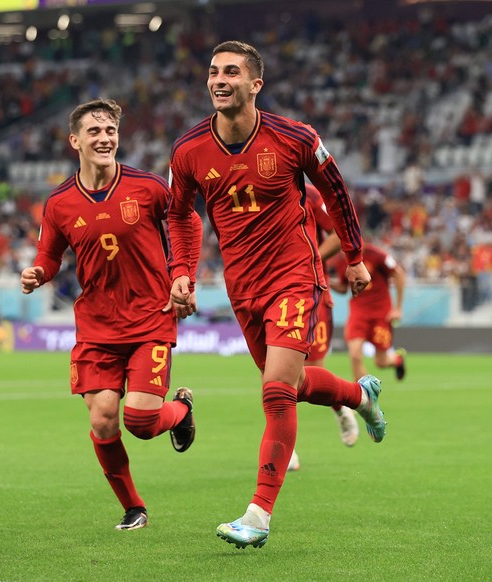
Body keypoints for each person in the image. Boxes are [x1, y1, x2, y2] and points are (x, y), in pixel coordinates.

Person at [168, 40, 386, 549]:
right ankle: (360, 395)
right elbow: (179, 214)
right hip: (242, 286)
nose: (219, 80)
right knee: (291, 386)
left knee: (274, 393)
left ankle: (258, 515)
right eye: (213, 71)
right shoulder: (188, 150)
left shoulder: (295, 137)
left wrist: (352, 255)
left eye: (231, 72)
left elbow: (336, 190)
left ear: (255, 84)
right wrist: (181, 270)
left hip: (294, 275)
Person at [20, 98, 202, 531]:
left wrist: (183, 276)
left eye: (110, 131)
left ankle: (180, 412)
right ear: (74, 141)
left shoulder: (148, 187)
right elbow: (49, 255)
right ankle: (134, 508)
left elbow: (187, 222)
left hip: (149, 316)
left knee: (139, 421)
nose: (104, 138)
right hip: (97, 325)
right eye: (95, 132)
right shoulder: (60, 202)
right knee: (103, 421)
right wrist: (36, 274)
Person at [287, 185, 360, 473]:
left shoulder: (310, 194)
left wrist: (310, 254)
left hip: (311, 292)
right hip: (271, 293)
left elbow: (338, 235)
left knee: (308, 377)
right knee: (275, 375)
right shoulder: (253, 182)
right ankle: (286, 448)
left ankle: (341, 406)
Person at [330, 241, 407, 383]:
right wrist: (328, 282)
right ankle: (364, 397)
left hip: (381, 313)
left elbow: (399, 275)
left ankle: (397, 360)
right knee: (355, 355)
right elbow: (343, 287)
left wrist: (398, 308)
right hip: (358, 312)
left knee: (381, 361)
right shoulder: (341, 261)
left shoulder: (377, 255)